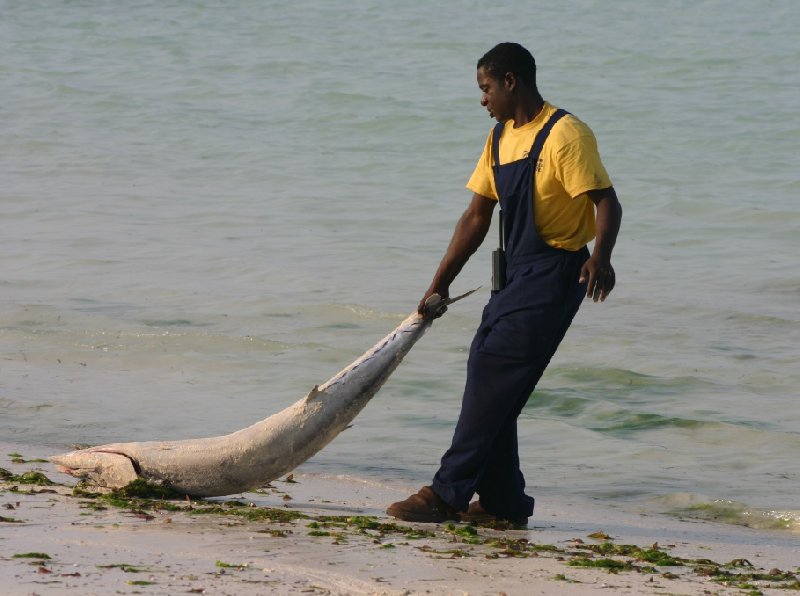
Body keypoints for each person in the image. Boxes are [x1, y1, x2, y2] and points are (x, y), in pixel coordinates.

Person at [386, 42, 622, 526]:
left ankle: (447, 493)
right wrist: (440, 285)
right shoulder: (499, 140)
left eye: (486, 88)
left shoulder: (565, 134)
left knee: (495, 372)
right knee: (489, 376)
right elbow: (475, 217)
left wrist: (602, 257)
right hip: (513, 274)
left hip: (557, 273)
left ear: (511, 81)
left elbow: (607, 202)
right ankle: (504, 504)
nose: (483, 99)